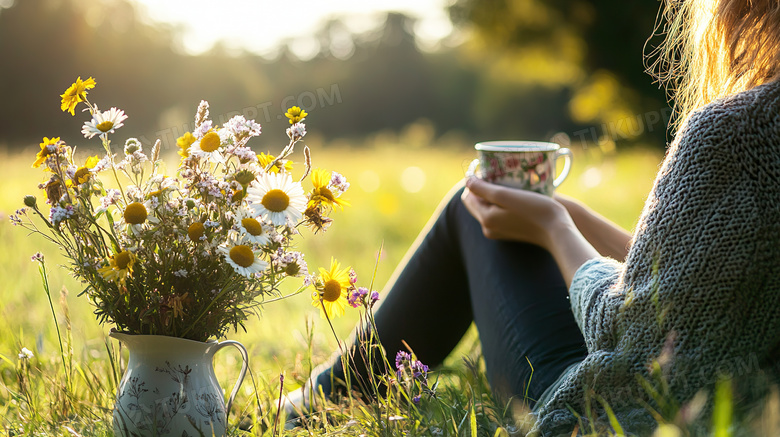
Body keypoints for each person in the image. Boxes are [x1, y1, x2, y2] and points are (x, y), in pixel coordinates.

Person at [284, 0, 780, 434]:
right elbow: (702, 287)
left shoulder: (736, 133)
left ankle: (316, 404)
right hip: (746, 406)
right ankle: (322, 397)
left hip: (619, 418)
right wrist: (571, 212)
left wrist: (553, 229)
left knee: (469, 205)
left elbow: (639, 334)